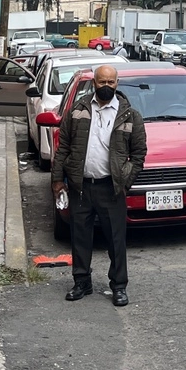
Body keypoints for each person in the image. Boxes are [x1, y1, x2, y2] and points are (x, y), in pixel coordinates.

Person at [51, 65, 147, 307]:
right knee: (80, 237)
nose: (106, 86)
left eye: (110, 82)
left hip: (111, 189)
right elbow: (63, 147)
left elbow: (138, 154)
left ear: (117, 83)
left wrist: (125, 181)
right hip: (81, 187)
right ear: (94, 83)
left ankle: (119, 286)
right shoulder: (77, 110)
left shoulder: (130, 115)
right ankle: (81, 282)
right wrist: (57, 180)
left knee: (116, 240)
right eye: (102, 81)